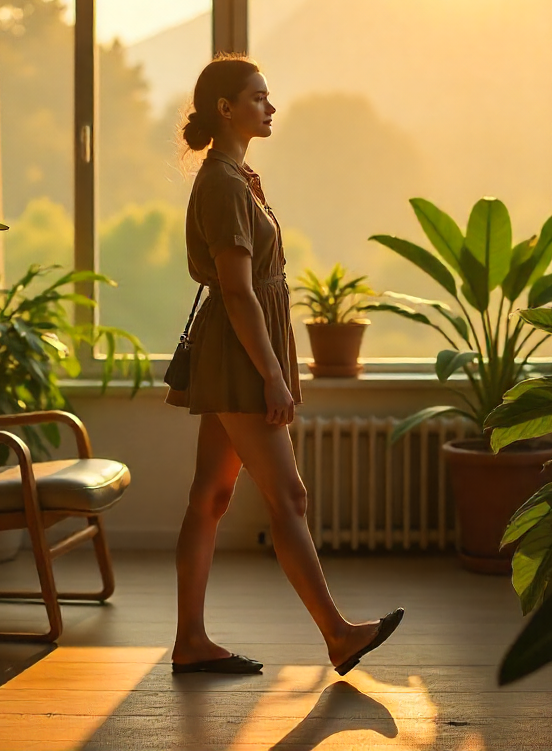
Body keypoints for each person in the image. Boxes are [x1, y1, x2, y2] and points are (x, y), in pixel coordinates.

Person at [167, 54, 403, 676]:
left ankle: (190, 640)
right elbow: (239, 290)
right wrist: (272, 373)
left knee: (211, 497)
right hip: (243, 350)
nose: (271, 107)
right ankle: (337, 634)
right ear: (225, 108)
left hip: (239, 345)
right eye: (258, 97)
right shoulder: (221, 183)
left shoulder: (236, 177)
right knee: (289, 497)